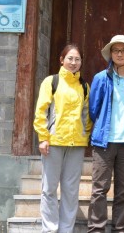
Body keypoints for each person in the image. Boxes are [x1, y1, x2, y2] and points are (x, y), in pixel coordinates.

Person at [87, 35, 124, 233]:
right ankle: (96, 229)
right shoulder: (101, 78)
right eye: (116, 50)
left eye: (123, 50)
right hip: (104, 142)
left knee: (123, 192)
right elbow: (93, 109)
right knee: (99, 190)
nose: (119, 54)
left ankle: (120, 229)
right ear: (111, 54)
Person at [33, 43, 92, 233]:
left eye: (77, 59)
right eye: (70, 58)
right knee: (49, 189)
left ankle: (66, 229)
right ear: (62, 60)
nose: (74, 63)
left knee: (71, 191)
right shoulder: (51, 82)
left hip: (76, 145)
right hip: (54, 143)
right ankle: (50, 229)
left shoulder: (84, 86)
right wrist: (43, 137)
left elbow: (87, 115)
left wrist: (85, 135)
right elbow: (41, 111)